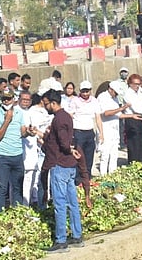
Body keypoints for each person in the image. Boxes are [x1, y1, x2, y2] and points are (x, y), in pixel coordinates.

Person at [42, 90, 82, 251]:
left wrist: (67, 148)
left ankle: (61, 239)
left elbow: (64, 143)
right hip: (69, 165)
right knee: (72, 202)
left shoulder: (58, 119)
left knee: (60, 203)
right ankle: (77, 235)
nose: (45, 107)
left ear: (53, 103)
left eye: (46, 104)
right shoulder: (65, 116)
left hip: (61, 165)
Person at [0, 88, 26, 211]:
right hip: (3, 156)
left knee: (17, 187)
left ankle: (17, 213)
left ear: (13, 99)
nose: (6, 101)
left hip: (17, 155)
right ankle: (0, 215)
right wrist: (7, 120)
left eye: (9, 98)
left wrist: (29, 132)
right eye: (4, 99)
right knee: (2, 188)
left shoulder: (20, 113)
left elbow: (23, 132)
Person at [70, 81, 103, 176]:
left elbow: (98, 117)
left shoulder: (94, 101)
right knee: (79, 157)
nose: (85, 94)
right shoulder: (75, 100)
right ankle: (77, 180)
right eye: (83, 91)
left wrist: (101, 133)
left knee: (89, 157)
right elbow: (70, 116)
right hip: (78, 132)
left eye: (87, 91)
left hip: (89, 132)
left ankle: (87, 178)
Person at [96, 81, 127, 175]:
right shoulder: (102, 97)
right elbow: (106, 113)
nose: (116, 94)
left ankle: (112, 174)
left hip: (115, 129)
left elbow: (118, 115)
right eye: (115, 92)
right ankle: (103, 175)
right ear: (111, 89)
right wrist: (121, 108)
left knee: (114, 155)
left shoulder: (115, 98)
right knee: (105, 155)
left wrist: (132, 115)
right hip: (106, 129)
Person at [121, 74, 142, 164]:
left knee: (141, 143)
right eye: (135, 84)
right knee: (134, 145)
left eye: (139, 84)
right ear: (130, 84)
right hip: (132, 119)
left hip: (140, 118)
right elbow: (137, 108)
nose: (138, 86)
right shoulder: (128, 94)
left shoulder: (139, 92)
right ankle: (134, 164)